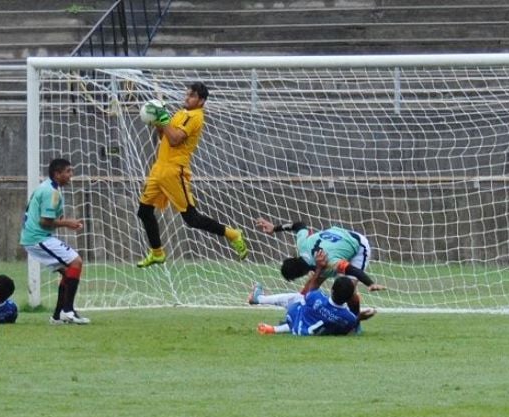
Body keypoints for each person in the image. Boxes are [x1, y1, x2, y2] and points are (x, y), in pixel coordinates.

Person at [136, 82, 248, 268]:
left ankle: (233, 234)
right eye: (187, 94)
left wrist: (163, 119)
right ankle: (157, 253)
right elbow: (163, 137)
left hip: (174, 171)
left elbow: (174, 140)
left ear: (201, 101)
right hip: (159, 169)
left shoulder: (196, 117)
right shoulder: (181, 113)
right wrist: (157, 122)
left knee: (191, 219)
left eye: (192, 96)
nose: (187, 98)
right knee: (144, 211)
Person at [255, 217, 384, 315]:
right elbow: (300, 225)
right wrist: (275, 228)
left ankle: (355, 324)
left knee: (348, 290)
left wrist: (370, 283)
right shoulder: (302, 245)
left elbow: (351, 269)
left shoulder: (328, 262)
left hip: (358, 245)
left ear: (302, 274)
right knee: (306, 293)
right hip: (337, 238)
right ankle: (299, 313)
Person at [20, 158, 89, 325]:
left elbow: (50, 218)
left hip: (36, 237)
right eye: (68, 171)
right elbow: (45, 221)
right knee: (76, 262)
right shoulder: (51, 192)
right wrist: (68, 223)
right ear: (57, 174)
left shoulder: (50, 188)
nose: (71, 175)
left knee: (68, 271)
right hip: (38, 237)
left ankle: (58, 316)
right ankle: (68, 311)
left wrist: (68, 222)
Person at [256, 250, 364, 336]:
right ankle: (274, 327)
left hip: (295, 316)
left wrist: (319, 268)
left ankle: (260, 299)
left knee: (300, 300)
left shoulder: (318, 297)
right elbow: (351, 327)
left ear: (332, 290)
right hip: (308, 330)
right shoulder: (347, 317)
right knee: (316, 318)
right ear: (349, 298)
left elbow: (311, 288)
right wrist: (359, 315)